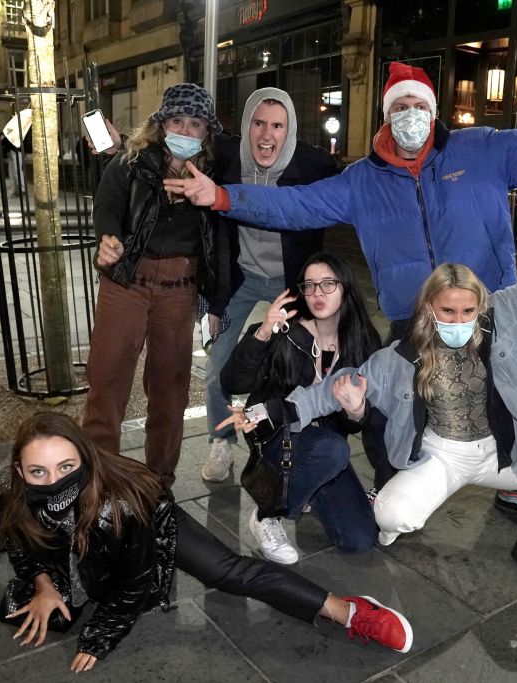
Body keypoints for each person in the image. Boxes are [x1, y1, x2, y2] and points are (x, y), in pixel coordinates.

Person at [168, 61, 517, 518]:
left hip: (490, 313)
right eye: (401, 106)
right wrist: (222, 196)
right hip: (413, 319)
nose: (411, 114)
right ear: (388, 116)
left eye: (419, 105)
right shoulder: (362, 181)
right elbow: (294, 205)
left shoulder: (482, 151)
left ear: (433, 112)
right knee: (391, 411)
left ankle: (516, 486)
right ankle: (393, 489)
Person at [222, 171, 517, 589]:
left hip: (501, 450)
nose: (459, 320)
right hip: (442, 457)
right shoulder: (400, 356)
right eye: (448, 311)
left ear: (481, 305)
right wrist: (264, 411)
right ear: (429, 310)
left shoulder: (512, 315)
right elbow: (335, 389)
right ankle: (381, 511)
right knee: (391, 515)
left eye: (468, 311)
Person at [0, 413, 413, 672]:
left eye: (66, 466)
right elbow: (20, 543)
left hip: (144, 530)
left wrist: (104, 631)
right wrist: (41, 583)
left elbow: (136, 584)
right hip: (54, 532)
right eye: (37, 472)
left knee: (227, 571)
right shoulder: (12, 495)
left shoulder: (125, 499)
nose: (52, 480)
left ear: (84, 460)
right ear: (17, 470)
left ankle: (349, 611)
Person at [82, 83, 228, 489]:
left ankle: (158, 481)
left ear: (207, 132)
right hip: (127, 281)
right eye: (177, 120)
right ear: (161, 124)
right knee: (107, 380)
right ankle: (100, 480)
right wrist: (108, 237)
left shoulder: (215, 172)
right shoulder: (132, 161)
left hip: (180, 289)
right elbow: (107, 204)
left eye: (195, 123)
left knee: (170, 388)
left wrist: (217, 301)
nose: (185, 129)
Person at [200, 87, 342, 482]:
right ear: (246, 126)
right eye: (259, 123)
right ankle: (222, 440)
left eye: (277, 125)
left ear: (289, 129)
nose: (267, 134)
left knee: (297, 368)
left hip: (290, 281)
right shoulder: (228, 157)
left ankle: (290, 444)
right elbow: (179, 152)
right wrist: (119, 145)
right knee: (217, 368)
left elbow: (359, 185)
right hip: (240, 280)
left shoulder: (312, 164)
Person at [220, 252, 381, 564]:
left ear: (346, 287)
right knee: (333, 450)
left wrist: (357, 410)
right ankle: (267, 515)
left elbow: (354, 425)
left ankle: (303, 487)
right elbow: (233, 381)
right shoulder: (287, 332)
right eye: (309, 286)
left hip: (323, 451)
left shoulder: (362, 342)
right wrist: (263, 331)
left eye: (327, 284)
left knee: (359, 539)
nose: (317, 294)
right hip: (275, 435)